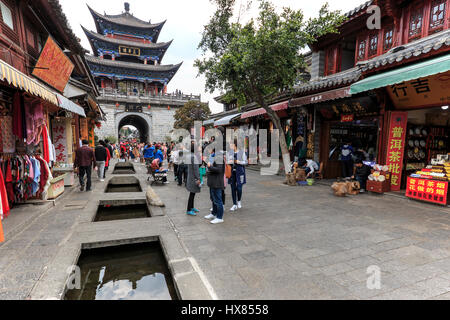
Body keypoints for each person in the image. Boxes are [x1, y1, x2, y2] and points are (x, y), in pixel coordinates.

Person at [204, 149, 225, 225]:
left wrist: (210, 167)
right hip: (212, 181)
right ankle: (213, 213)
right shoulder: (212, 156)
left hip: (217, 182)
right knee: (213, 198)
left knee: (218, 200)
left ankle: (219, 217)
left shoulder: (219, 157)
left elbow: (219, 169)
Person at [228, 142, 247, 212]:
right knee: (233, 188)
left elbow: (245, 162)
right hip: (232, 172)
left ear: (235, 145)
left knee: (239, 188)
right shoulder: (229, 152)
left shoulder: (242, 152)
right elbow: (227, 161)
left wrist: (238, 161)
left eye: (231, 145)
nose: (230, 146)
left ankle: (239, 200)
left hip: (240, 172)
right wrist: (229, 161)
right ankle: (234, 204)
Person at [185, 143, 201, 216]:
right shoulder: (193, 157)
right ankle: (189, 209)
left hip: (190, 177)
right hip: (193, 178)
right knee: (192, 194)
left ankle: (192, 207)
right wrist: (198, 178)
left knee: (193, 193)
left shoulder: (189, 155)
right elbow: (196, 169)